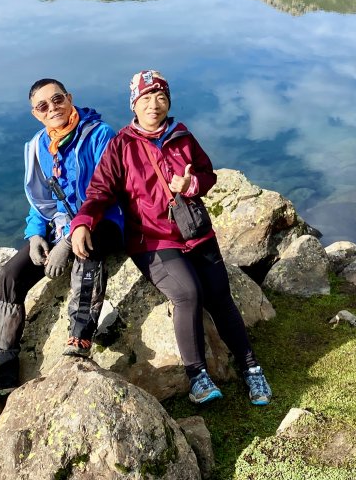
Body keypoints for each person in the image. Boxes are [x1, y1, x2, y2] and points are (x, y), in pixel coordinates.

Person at [69, 70, 273, 406]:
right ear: (134, 104)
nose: (154, 104)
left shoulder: (182, 136)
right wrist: (83, 221)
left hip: (195, 232)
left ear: (169, 102)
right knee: (188, 294)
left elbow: (206, 174)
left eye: (161, 97)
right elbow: (100, 190)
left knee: (221, 297)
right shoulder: (121, 146)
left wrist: (190, 186)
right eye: (146, 98)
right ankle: (197, 376)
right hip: (152, 240)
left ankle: (252, 368)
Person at [0, 78, 123, 393]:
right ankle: (2, 367)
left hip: (104, 220)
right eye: (43, 105)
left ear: (69, 98)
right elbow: (41, 203)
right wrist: (35, 235)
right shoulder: (38, 146)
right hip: (63, 224)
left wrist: (69, 241)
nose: (53, 108)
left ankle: (79, 337)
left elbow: (108, 192)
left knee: (87, 248)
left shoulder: (99, 135)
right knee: (10, 274)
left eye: (57, 99)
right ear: (35, 113)